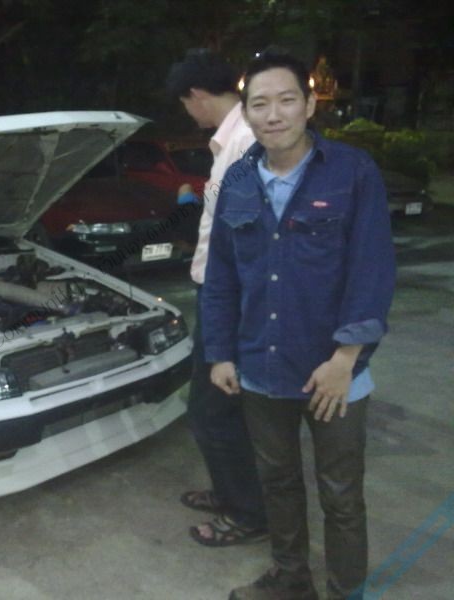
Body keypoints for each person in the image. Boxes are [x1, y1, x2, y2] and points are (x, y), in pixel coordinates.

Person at [202, 49, 396, 600]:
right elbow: (221, 275)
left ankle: (344, 590)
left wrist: (345, 359)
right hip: (260, 364)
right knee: (278, 483)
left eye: (286, 100)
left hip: (334, 372)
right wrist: (220, 352)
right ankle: (291, 579)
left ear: (310, 105)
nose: (273, 114)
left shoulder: (352, 172)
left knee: (341, 494)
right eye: (260, 104)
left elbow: (372, 267)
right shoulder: (239, 178)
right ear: (246, 113)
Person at [165, 49, 267, 547]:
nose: (188, 113)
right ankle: (231, 493)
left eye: (185, 103)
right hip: (221, 291)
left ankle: (248, 513)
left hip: (229, 296)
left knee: (212, 411)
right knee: (220, 408)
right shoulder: (232, 140)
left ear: (197, 95)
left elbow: (244, 237)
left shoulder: (245, 142)